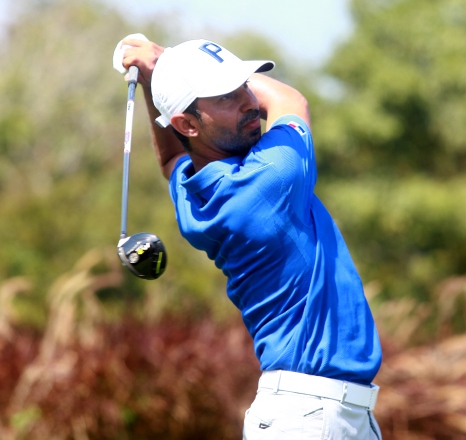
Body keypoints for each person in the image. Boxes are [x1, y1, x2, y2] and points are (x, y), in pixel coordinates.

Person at [114, 35, 383, 439]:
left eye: (243, 84)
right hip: (311, 416)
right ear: (187, 124)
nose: (249, 102)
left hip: (316, 413)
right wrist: (163, 60)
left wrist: (158, 79)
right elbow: (291, 102)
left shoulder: (196, 190)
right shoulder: (271, 178)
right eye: (224, 96)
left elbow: (173, 159)